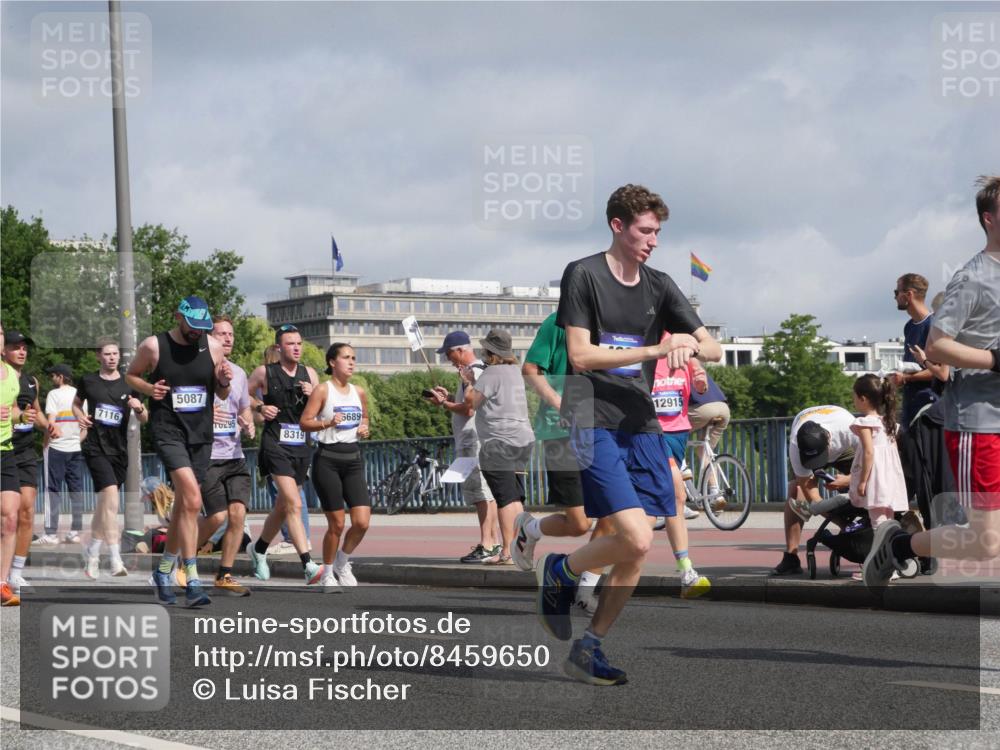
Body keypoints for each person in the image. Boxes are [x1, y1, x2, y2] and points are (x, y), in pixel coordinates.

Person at [536, 184, 721, 686]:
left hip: (641, 421)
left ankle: (589, 646)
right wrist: (657, 350)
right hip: (590, 413)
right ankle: (562, 569)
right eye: (645, 230)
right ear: (618, 226)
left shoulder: (660, 284)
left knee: (639, 549)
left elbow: (716, 350)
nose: (653, 240)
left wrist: (692, 342)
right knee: (633, 535)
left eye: (658, 232)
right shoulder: (584, 274)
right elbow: (580, 356)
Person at [864, 175, 1000, 586]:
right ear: (990, 219)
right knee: (985, 542)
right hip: (981, 421)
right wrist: (995, 360)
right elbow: (939, 345)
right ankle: (897, 546)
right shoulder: (973, 278)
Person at [126, 296, 233, 607]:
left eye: (203, 328)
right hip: (168, 431)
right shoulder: (154, 346)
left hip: (201, 434)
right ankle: (193, 580)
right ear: (178, 317)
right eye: (192, 326)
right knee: (193, 498)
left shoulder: (212, 346)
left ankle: (162, 571)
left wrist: (224, 383)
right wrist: (149, 390)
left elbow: (220, 391)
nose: (196, 333)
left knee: (185, 508)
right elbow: (131, 376)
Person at [516, 311, 607, 613]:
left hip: (603, 429)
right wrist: (559, 401)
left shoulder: (613, 324)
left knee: (612, 515)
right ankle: (530, 528)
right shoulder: (557, 323)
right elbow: (529, 369)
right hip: (561, 430)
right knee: (579, 524)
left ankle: (585, 589)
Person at [245, 324, 322, 585]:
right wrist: (260, 405)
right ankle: (308, 564)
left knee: (282, 506)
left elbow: (321, 408)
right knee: (294, 501)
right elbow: (241, 396)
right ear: (279, 347)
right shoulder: (264, 372)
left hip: (301, 446)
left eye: (299, 343)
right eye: (290, 343)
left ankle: (258, 550)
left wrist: (315, 396)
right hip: (275, 443)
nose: (297, 347)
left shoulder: (310, 373)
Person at [74, 339, 148, 579]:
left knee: (104, 505)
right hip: (95, 447)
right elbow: (76, 404)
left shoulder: (129, 383)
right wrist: (80, 416)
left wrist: (138, 408)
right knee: (112, 500)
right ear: (99, 356)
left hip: (119, 450)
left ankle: (92, 554)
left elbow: (145, 417)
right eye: (107, 354)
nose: (112, 358)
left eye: (115, 353)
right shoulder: (88, 381)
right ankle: (115, 559)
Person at [300, 343, 371, 592]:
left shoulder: (358, 392)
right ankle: (327, 572)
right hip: (327, 459)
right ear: (332, 362)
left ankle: (342, 562)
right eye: (345, 357)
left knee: (362, 521)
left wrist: (364, 428)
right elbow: (304, 423)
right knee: (337, 524)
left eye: (354, 357)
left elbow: (364, 418)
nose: (351, 362)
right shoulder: (322, 390)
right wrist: (328, 422)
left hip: (352, 459)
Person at [646, 332, 712, 598]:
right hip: (651, 432)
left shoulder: (681, 340)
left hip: (678, 432)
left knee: (658, 509)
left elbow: (701, 360)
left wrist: (699, 375)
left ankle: (582, 571)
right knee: (677, 493)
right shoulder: (642, 343)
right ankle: (687, 571)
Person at [426, 331, 500, 563]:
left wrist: (444, 403)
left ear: (460, 350)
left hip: (473, 440)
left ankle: (487, 544)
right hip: (479, 439)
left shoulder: (473, 372)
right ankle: (493, 542)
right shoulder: (478, 371)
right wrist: (450, 396)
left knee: (480, 494)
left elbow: (468, 409)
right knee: (487, 494)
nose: (449, 359)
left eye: (450, 354)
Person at [461, 329, 533, 565]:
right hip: (522, 440)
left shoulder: (491, 373)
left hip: (497, 441)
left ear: (490, 352)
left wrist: (469, 383)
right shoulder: (515, 371)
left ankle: (508, 553)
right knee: (515, 498)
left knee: (504, 499)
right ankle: (521, 550)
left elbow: (472, 404)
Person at [196, 315, 254, 597]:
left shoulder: (240, 373)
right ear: (209, 338)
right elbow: (179, 410)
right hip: (207, 456)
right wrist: (205, 414)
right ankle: (184, 559)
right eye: (222, 334)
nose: (228, 338)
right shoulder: (198, 371)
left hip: (235, 454)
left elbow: (243, 408)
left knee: (238, 513)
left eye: (231, 334)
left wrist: (248, 421)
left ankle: (224, 574)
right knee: (217, 516)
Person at [771, 405, 858, 576]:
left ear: (829, 440)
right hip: (808, 438)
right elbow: (811, 495)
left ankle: (870, 537)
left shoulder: (849, 429)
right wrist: (843, 523)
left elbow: (871, 468)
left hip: (844, 448)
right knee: (797, 493)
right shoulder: (796, 446)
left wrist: (849, 480)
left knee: (865, 485)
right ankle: (791, 557)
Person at [3, 331, 45, 595]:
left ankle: (15, 573)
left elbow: (37, 414)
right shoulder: (4, 377)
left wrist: (48, 425)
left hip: (25, 451)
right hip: (6, 446)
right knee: (8, 514)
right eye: (15, 347)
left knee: (26, 510)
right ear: (4, 350)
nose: (22, 351)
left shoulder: (32, 382)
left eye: (24, 348)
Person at [41, 363, 86, 544]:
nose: (51, 379)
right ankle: (75, 532)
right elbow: (85, 427)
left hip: (56, 449)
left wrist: (46, 444)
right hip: (76, 449)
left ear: (60, 376)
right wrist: (76, 441)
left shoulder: (54, 394)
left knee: (52, 490)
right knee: (76, 490)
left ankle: (51, 534)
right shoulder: (80, 395)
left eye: (53, 376)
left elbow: (51, 424)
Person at [687, 367, 731, 510]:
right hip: (724, 408)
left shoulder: (678, 370)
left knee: (672, 434)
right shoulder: (698, 368)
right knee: (704, 452)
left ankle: (682, 468)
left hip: (702, 409)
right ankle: (715, 493)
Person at [1, 324, 23, 606]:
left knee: (10, 518)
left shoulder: (11, 376)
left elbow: (13, 409)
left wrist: (22, 416)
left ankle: (2, 583)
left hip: (6, 450)